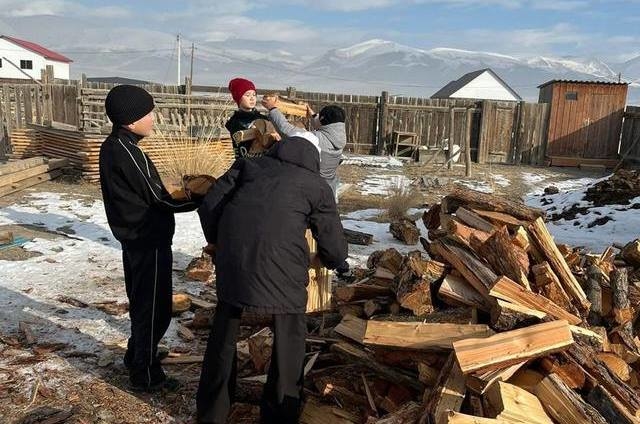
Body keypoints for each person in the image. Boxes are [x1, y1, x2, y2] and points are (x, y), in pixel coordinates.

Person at [196, 132, 348, 423]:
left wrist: (219, 240)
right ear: (313, 157)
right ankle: (279, 414)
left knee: (224, 333)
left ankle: (212, 411)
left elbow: (210, 204)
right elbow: (331, 240)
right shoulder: (316, 185)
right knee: (289, 339)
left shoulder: (249, 165)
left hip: (234, 262)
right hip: (283, 269)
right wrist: (336, 261)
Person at [99, 85, 198, 392]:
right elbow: (161, 200)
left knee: (143, 301)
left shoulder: (114, 145)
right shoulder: (128, 152)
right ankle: (145, 372)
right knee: (154, 308)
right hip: (148, 239)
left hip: (135, 239)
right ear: (130, 120)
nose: (154, 118)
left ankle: (137, 354)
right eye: (148, 112)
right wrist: (201, 197)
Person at [261, 96, 346, 200]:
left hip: (313, 192)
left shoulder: (315, 139)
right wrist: (313, 115)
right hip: (329, 191)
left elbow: (287, 130)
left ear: (323, 120)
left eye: (320, 117)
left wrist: (272, 109)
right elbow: (324, 126)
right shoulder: (338, 138)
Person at [225, 77, 271, 159]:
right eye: (247, 95)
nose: (252, 98)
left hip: (264, 162)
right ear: (238, 98)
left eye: (254, 95)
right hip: (244, 162)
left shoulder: (263, 118)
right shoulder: (235, 121)